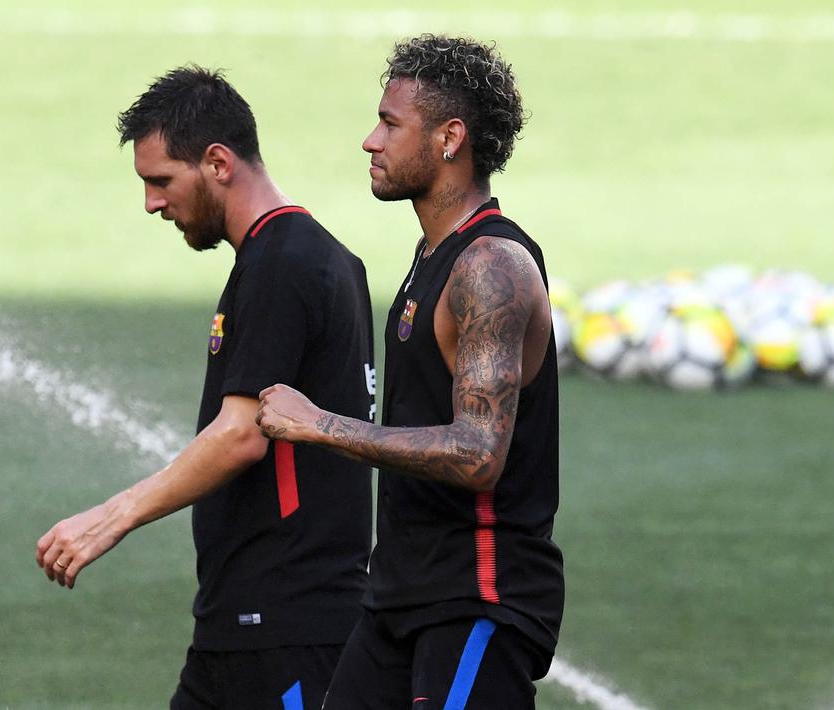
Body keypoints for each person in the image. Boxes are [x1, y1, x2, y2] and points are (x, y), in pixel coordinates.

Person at [34, 66, 375, 710]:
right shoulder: (318, 257)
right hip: (243, 627)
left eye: (161, 181)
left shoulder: (282, 263)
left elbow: (243, 436)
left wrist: (113, 518)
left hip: (286, 629)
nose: (151, 203)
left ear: (217, 162)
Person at [256, 35, 563, 709]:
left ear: (450, 137)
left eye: (390, 124)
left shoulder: (490, 266)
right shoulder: (433, 257)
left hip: (476, 597)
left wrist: (320, 426)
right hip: (399, 595)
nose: (370, 141)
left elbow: (477, 455)